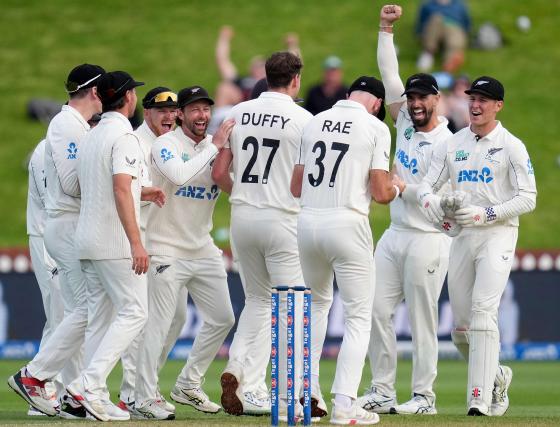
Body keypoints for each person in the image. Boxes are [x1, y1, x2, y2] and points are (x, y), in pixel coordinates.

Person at [416, 76, 537, 416]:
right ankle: (497, 375)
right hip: (463, 238)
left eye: (484, 100)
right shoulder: (453, 144)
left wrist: (486, 213)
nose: (475, 105)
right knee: (460, 330)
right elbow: (426, 187)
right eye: (472, 99)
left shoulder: (512, 146)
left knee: (484, 314)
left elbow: (528, 198)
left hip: (497, 234)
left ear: (498, 105)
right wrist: (440, 212)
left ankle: (479, 399)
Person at [356, 4, 452, 416]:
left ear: (437, 99)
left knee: (422, 318)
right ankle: (381, 390)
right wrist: (385, 29)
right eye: (409, 97)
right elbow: (389, 73)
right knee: (376, 309)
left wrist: (399, 185)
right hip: (394, 235)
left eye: (420, 97)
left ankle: (424, 397)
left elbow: (424, 190)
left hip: (428, 239)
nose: (412, 103)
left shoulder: (450, 143)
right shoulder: (406, 126)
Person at [291, 76, 402, 425]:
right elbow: (381, 192)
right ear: (376, 104)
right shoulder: (375, 127)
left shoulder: (313, 121)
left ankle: (305, 392)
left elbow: (296, 186)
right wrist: (398, 186)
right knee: (357, 316)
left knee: (317, 306)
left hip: (307, 222)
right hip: (347, 222)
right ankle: (344, 405)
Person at [212, 51, 313, 417]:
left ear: (266, 76)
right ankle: (286, 398)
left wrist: (244, 193)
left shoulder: (237, 113)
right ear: (296, 80)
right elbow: (302, 183)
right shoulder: (304, 119)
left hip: (243, 216)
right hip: (282, 218)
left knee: (257, 301)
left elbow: (219, 173)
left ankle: (238, 372)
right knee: (290, 308)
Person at [64, 70, 166, 421]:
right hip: (114, 241)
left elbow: (102, 184)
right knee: (135, 311)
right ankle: (86, 385)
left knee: (101, 319)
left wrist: (143, 191)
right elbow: (121, 187)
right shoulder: (125, 136)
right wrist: (136, 242)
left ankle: (90, 397)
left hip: (87, 240)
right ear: (128, 98)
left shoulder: (93, 133)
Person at [132, 86, 236, 420]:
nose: (202, 116)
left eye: (206, 110)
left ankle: (188, 383)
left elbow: (230, 180)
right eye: (194, 110)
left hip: (202, 247)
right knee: (160, 325)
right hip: (164, 248)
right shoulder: (165, 145)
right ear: (181, 115)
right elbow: (179, 174)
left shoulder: (213, 147)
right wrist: (216, 147)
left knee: (223, 318)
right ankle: (142, 395)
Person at [8, 63, 105, 419]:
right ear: (94, 93)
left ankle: (55, 389)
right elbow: (66, 189)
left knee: (72, 313)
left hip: (60, 232)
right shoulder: (58, 135)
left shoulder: (71, 130)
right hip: (52, 233)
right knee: (67, 312)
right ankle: (51, 387)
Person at [117, 87, 183, 412]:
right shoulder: (137, 143)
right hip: (138, 240)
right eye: (162, 111)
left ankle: (144, 386)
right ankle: (133, 394)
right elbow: (123, 188)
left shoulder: (168, 143)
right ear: (147, 112)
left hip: (159, 240)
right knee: (140, 320)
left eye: (173, 111)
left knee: (175, 318)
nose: (169, 116)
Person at [25, 138, 63, 416]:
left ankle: (61, 389)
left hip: (67, 237)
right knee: (59, 312)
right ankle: (41, 386)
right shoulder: (45, 148)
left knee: (71, 313)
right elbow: (55, 201)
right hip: (46, 236)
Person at [415, 0, 471, 73]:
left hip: (454, 27)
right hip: (434, 28)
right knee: (436, 18)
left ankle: (449, 64)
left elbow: (466, 24)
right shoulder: (427, 4)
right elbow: (421, 23)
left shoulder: (460, 4)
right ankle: (428, 53)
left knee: (454, 39)